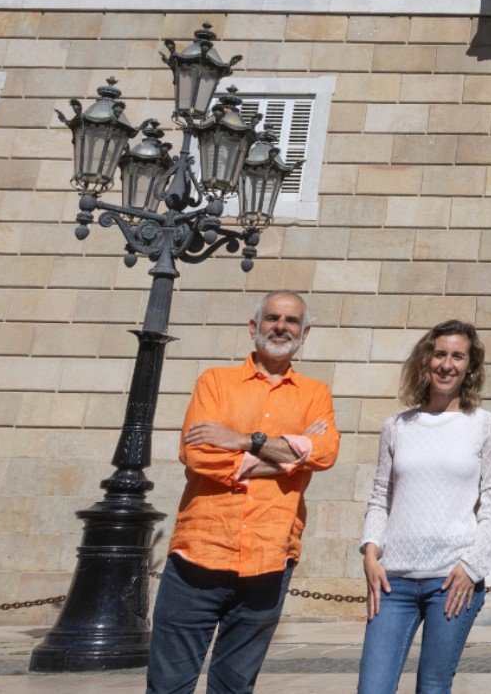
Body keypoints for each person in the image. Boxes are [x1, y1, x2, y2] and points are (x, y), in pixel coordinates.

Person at [146, 289, 339, 694]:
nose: (281, 327)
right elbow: (198, 454)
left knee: (234, 687)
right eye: (272, 318)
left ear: (305, 334)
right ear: (254, 327)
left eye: (291, 321)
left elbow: (324, 452)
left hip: (269, 558)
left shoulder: (315, 393)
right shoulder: (215, 381)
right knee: (168, 686)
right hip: (200, 553)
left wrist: (244, 440)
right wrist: (289, 457)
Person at [357, 320, 491, 694]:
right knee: (372, 687)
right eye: (440, 354)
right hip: (393, 583)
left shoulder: (486, 426)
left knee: (433, 686)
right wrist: (370, 554)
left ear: (470, 366)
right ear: (427, 360)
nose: (447, 364)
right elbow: (380, 497)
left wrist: (472, 567)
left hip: (451, 581)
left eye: (458, 356)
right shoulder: (398, 425)